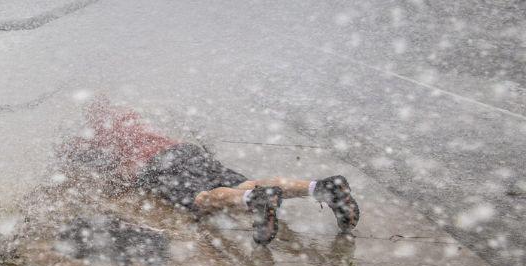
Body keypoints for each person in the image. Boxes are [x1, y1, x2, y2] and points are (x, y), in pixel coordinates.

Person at [59, 98, 360, 245]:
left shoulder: (96, 134)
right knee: (247, 181)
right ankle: (321, 187)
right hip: (188, 150)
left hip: (159, 168)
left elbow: (90, 165)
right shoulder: (131, 118)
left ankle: (252, 203)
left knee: (202, 198)